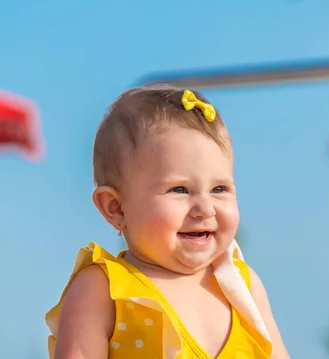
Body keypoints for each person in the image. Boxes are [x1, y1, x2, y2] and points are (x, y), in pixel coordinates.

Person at [45, 87, 290, 359]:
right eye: (180, 190)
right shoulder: (104, 290)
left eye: (219, 189)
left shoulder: (243, 286)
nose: (205, 208)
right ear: (116, 207)